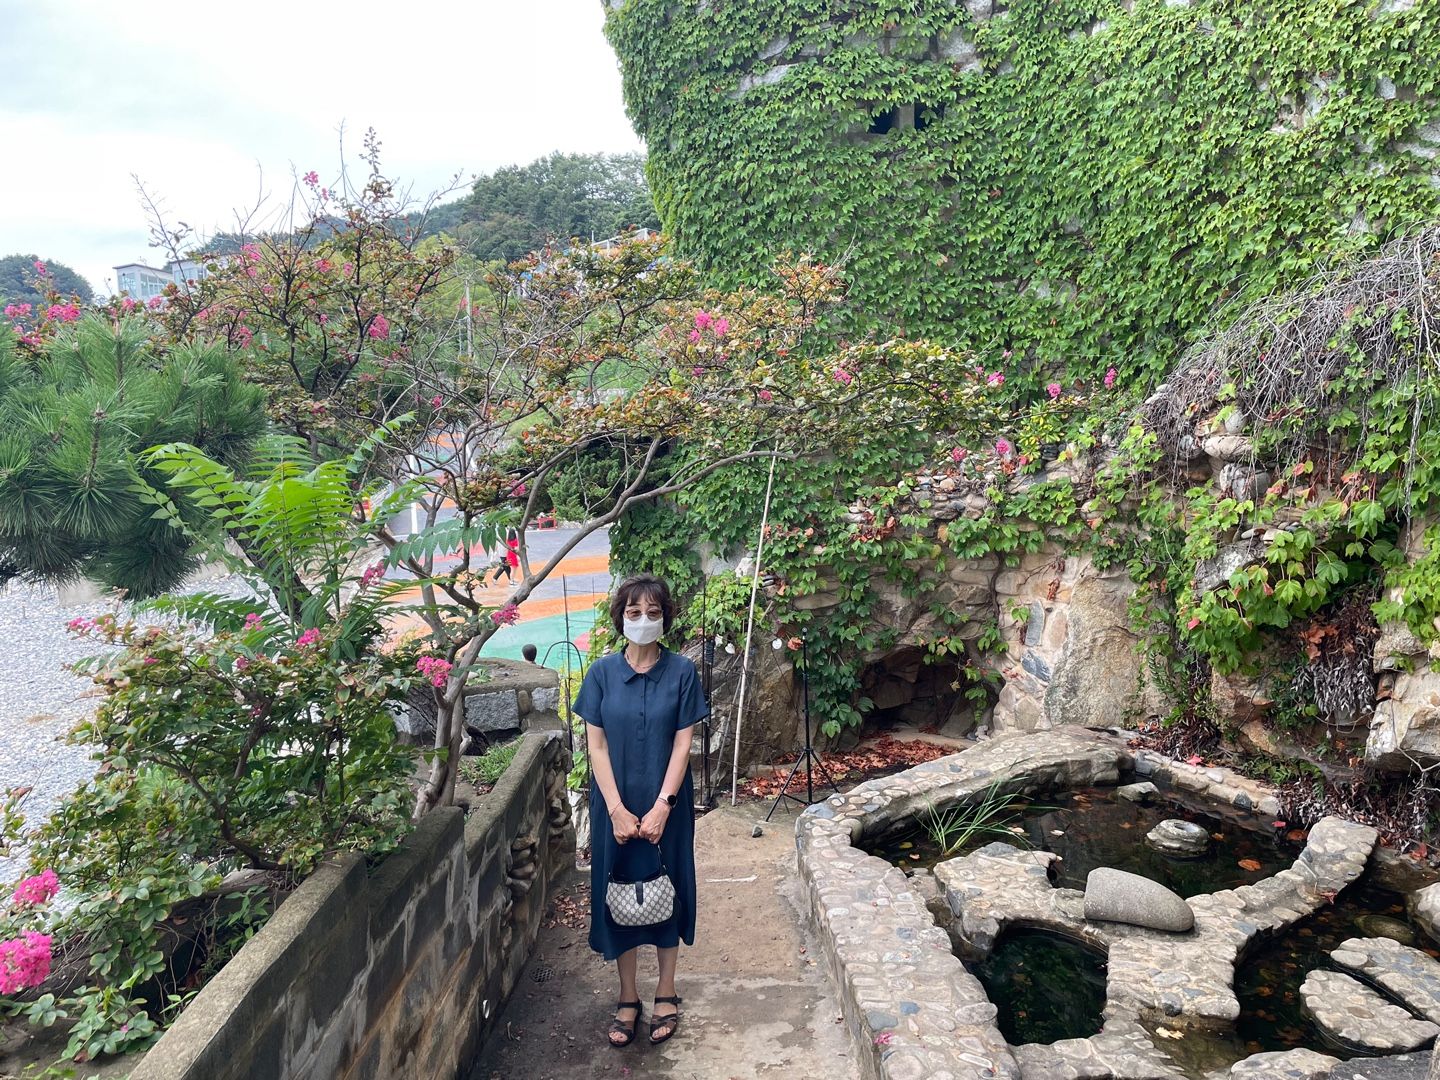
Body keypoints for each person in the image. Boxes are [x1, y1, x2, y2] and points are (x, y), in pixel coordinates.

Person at [572, 575, 706, 1048]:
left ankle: (666, 990)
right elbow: (597, 746)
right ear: (621, 618)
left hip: (667, 803)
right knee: (618, 890)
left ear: (665, 617)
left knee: (669, 885)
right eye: (634, 612)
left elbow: (683, 743)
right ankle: (627, 995)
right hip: (614, 804)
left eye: (653, 612)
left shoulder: (682, 672)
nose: (643, 620)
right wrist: (615, 810)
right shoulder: (601, 674)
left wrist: (663, 806)